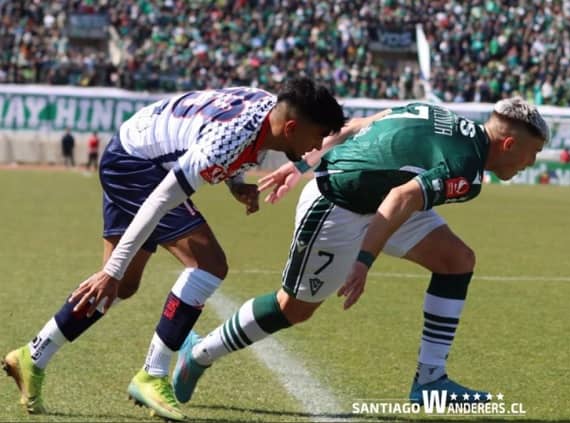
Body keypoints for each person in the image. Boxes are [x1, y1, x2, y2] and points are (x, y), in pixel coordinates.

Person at [2, 78, 345, 421]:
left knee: (123, 287)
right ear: (291, 127)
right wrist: (111, 269)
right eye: (318, 136)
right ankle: (153, 373)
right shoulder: (234, 137)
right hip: (137, 167)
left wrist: (236, 184)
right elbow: (161, 199)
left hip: (132, 148)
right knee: (208, 264)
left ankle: (33, 355)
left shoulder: (265, 108)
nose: (316, 147)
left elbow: (211, 128)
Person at [170, 98, 550, 407]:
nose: (530, 163)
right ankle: (199, 353)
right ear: (509, 144)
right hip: (338, 203)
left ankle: (431, 381)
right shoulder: (466, 172)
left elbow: (355, 127)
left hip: (382, 200)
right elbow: (401, 197)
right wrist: (364, 261)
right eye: (532, 154)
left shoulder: (434, 111)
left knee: (456, 261)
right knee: (294, 308)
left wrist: (300, 163)